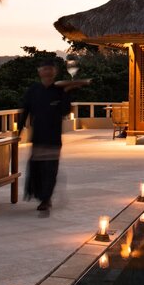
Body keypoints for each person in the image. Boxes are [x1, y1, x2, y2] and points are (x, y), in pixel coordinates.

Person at [18, 57, 90, 215]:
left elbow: (65, 111)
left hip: (53, 137)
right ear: (40, 72)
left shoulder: (59, 91)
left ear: (55, 72)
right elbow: (25, 111)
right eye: (44, 69)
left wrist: (67, 92)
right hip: (37, 136)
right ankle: (40, 196)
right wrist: (19, 131)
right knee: (37, 169)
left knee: (50, 169)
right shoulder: (33, 90)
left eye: (50, 69)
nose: (47, 72)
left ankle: (46, 199)